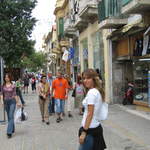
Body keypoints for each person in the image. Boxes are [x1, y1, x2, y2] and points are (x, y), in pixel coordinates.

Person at [78, 69, 106, 150]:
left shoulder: (92, 93)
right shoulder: (96, 91)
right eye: (84, 78)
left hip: (89, 130)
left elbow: (90, 113)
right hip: (95, 127)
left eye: (88, 78)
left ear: (94, 79)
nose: (85, 80)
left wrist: (84, 132)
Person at [0, 74, 20, 138]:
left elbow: (15, 94)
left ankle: (9, 132)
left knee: (11, 115)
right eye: (5, 77)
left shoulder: (13, 86)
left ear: (10, 78)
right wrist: (2, 101)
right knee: (9, 117)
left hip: (12, 102)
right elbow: (1, 94)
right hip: (6, 102)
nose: (6, 78)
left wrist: (18, 102)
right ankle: (12, 129)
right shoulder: (2, 85)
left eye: (7, 77)